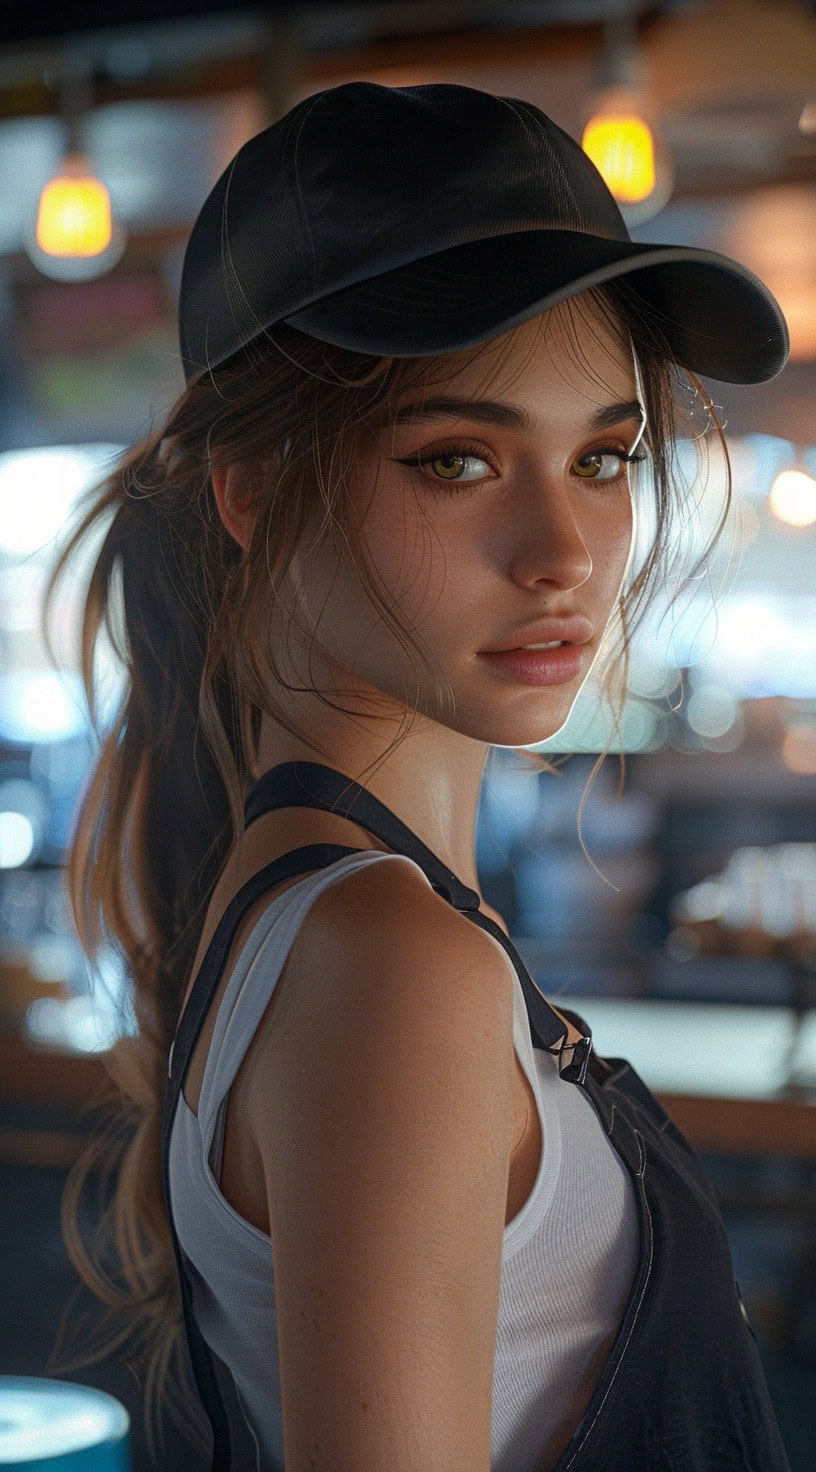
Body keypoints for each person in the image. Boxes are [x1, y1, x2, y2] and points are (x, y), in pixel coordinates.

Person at [42, 82, 792, 1471]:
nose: (562, 550)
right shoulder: (393, 962)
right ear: (253, 488)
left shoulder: (330, 917)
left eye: (603, 457)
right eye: (458, 458)